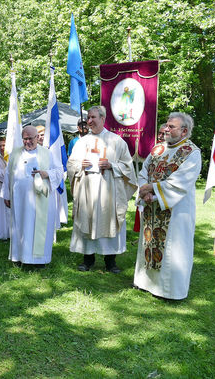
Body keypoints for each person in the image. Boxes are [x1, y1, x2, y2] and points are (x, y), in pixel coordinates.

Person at [133, 113, 201, 300]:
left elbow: (180, 182)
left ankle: (169, 291)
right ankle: (145, 283)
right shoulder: (158, 149)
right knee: (148, 242)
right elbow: (144, 171)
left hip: (176, 210)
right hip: (151, 208)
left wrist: (152, 190)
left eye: (172, 127)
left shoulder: (191, 152)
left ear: (184, 131)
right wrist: (145, 191)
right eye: (167, 125)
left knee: (173, 248)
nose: (166, 129)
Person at [67, 106, 137, 273]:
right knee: (87, 220)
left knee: (109, 222)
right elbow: (70, 164)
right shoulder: (81, 142)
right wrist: (79, 165)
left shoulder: (116, 141)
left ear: (103, 118)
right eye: (88, 118)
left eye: (93, 118)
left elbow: (128, 167)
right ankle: (87, 260)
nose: (89, 121)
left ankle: (110, 262)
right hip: (87, 191)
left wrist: (111, 165)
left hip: (109, 191)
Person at [2, 126, 63, 268]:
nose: (28, 141)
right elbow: (8, 175)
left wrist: (46, 174)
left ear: (37, 138)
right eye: (25, 138)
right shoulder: (15, 154)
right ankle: (19, 257)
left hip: (40, 199)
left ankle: (39, 260)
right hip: (19, 199)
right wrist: (6, 194)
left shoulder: (47, 153)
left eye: (31, 138)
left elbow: (59, 171)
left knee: (37, 227)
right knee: (20, 227)